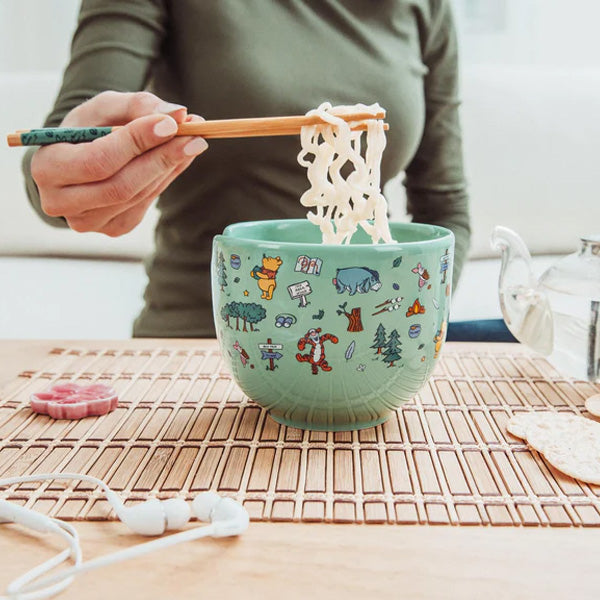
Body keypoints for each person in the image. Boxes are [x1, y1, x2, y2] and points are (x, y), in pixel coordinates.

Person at [22, 0, 470, 338]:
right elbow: (61, 148)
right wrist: (73, 179)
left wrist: (406, 320)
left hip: (363, 338)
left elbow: (445, 206)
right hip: (199, 338)